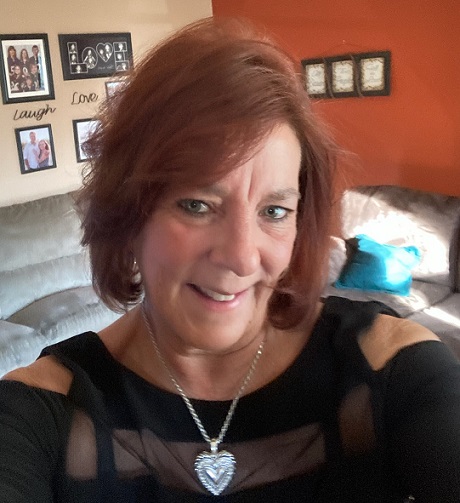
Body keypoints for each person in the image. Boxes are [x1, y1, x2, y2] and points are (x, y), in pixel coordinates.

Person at [0, 16, 459, 503]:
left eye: (274, 211)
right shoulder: (39, 413)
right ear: (128, 213)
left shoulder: (392, 370)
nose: (241, 257)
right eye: (197, 205)